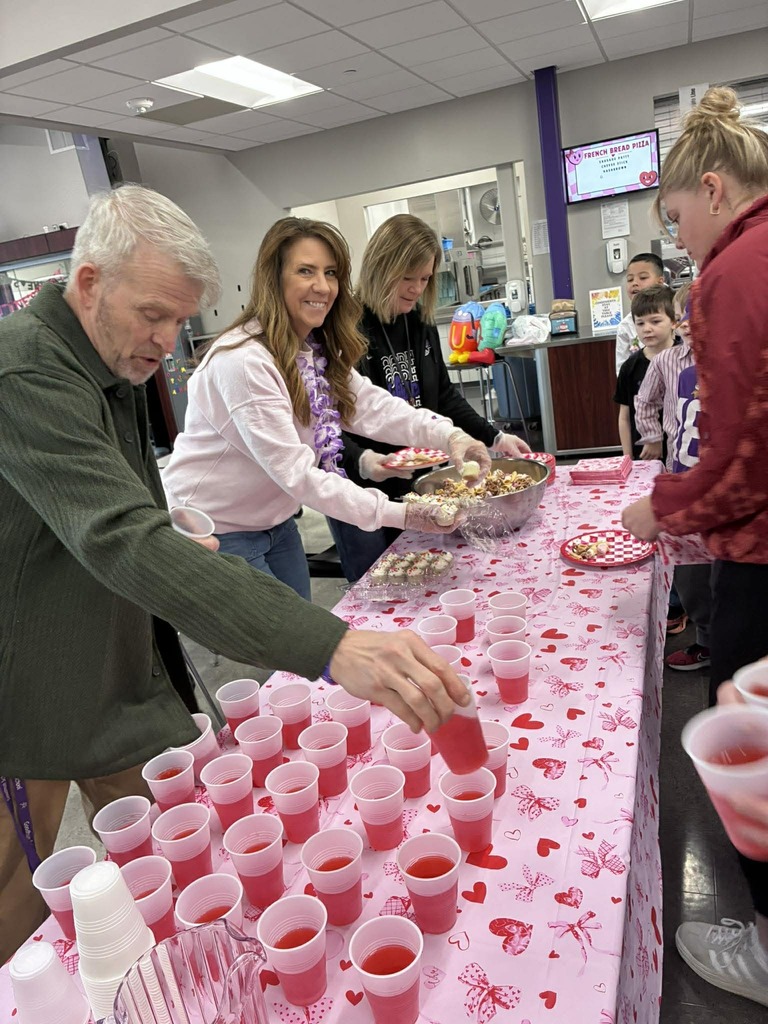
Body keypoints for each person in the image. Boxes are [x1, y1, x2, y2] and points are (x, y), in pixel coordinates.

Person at [0, 188, 470, 963]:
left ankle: (182, 978)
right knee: (23, 892)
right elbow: (117, 534)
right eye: (154, 315)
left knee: (175, 849)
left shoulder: (106, 355)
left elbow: (117, 498)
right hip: (34, 677)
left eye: (180, 319)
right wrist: (333, 643)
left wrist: (174, 521)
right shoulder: (27, 370)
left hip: (118, 659)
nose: (167, 339)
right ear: (87, 282)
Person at [622, 86, 768, 1006]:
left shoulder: (730, 275)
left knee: (751, 748)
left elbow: (740, 461)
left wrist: (661, 507)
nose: (679, 242)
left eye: (676, 220)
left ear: (711, 189)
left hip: (760, 557)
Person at [163, 217, 490, 599]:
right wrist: (401, 514)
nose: (322, 286)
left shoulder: (314, 348)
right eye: (306, 271)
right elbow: (297, 474)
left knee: (296, 639)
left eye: (331, 272)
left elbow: (371, 406)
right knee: (282, 643)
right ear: (275, 278)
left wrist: (449, 435)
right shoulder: (244, 361)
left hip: (276, 519)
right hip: (218, 526)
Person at [326, 214, 530, 582]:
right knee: (376, 583)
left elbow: (443, 397)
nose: (417, 288)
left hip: (414, 482)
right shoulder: (346, 326)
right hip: (357, 488)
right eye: (408, 277)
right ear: (381, 267)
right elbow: (327, 424)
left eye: (425, 278)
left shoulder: (417, 321)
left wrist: (493, 437)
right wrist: (365, 459)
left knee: (421, 577)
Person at [613, 284, 677, 461]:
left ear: (673, 321)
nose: (646, 328)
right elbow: (624, 417)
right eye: (640, 323)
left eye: (655, 321)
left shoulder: (686, 357)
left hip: (682, 451)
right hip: (645, 454)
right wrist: (627, 457)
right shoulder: (630, 367)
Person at [614, 252, 666, 374]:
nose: (634, 283)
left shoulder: (675, 313)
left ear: (660, 281)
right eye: (630, 279)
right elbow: (621, 369)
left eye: (643, 278)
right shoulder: (625, 326)